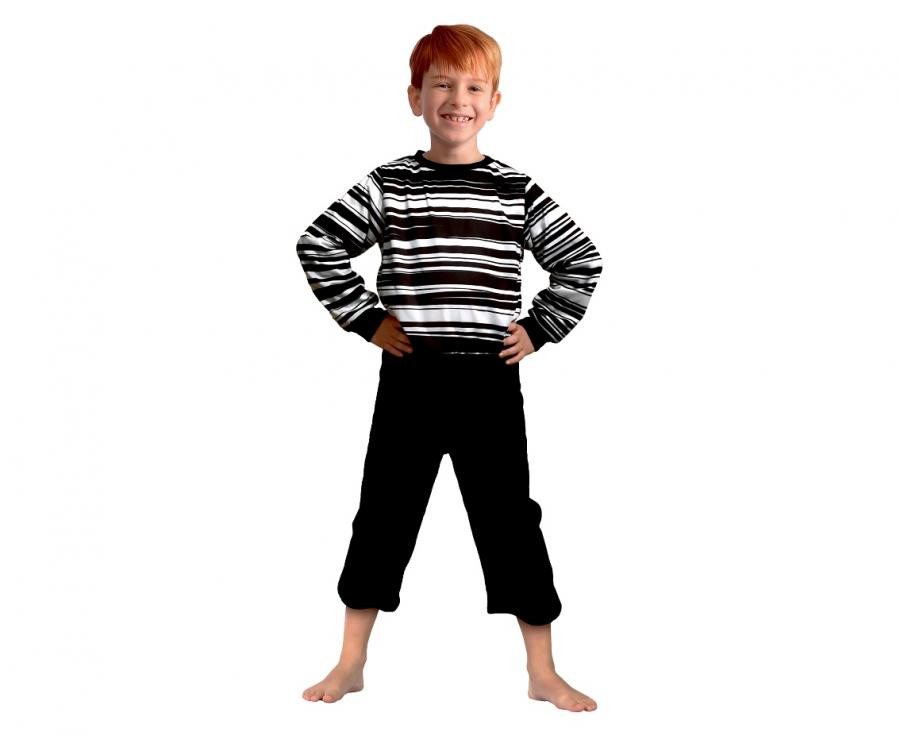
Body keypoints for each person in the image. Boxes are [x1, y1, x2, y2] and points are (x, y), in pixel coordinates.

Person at [295, 24, 603, 711]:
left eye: (472, 88)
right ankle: (350, 661)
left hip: (488, 383)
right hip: (412, 379)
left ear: (493, 103)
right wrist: (368, 319)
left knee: (511, 521)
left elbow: (581, 260)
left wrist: (540, 327)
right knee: (383, 514)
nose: (457, 100)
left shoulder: (515, 190)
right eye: (441, 85)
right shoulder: (390, 185)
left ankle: (542, 670)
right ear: (415, 98)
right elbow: (318, 244)